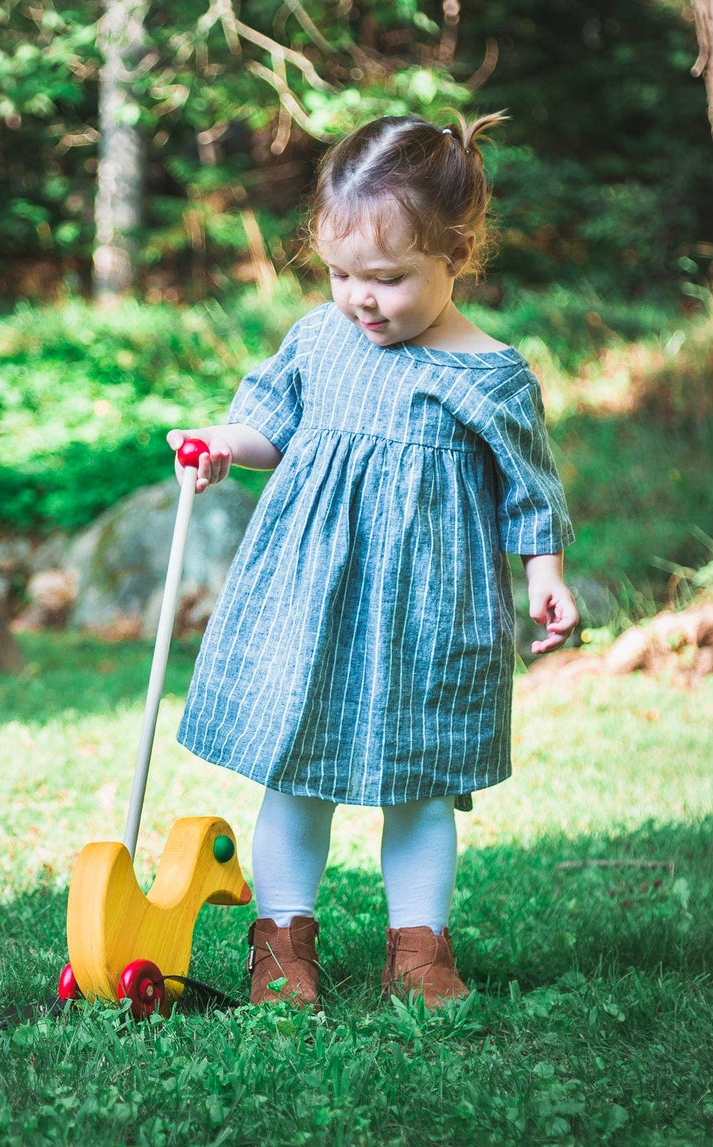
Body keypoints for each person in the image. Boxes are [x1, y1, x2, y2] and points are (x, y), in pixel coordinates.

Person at [166, 112, 578, 1009]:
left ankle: (419, 953)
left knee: (422, 785)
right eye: (341, 273)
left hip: (430, 611)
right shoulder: (321, 338)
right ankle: (280, 944)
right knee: (299, 770)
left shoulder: (490, 373)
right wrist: (221, 444)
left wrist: (543, 573)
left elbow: (528, 487)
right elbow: (271, 421)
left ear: (455, 252)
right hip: (313, 600)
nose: (359, 297)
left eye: (386, 279)